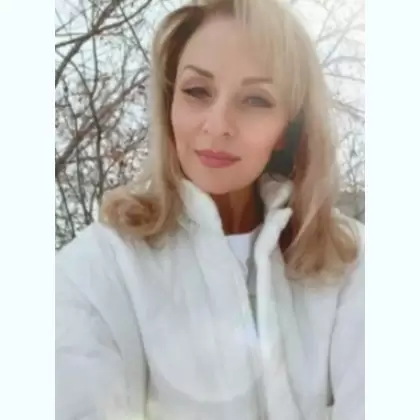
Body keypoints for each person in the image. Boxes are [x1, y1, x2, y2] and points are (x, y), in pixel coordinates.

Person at [55, 0, 364, 419]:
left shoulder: (351, 260)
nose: (217, 125)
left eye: (255, 100)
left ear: (287, 127)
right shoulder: (100, 268)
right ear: (170, 105)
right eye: (197, 92)